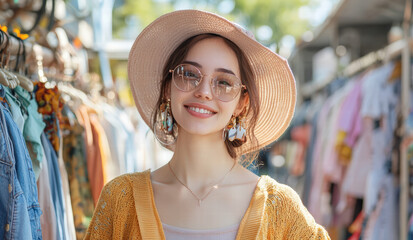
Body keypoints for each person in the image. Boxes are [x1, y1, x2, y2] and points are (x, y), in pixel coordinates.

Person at [85, 9, 330, 239]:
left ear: (241, 103)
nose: (204, 92)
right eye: (190, 74)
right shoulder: (120, 199)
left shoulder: (279, 209)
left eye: (223, 82)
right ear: (168, 86)